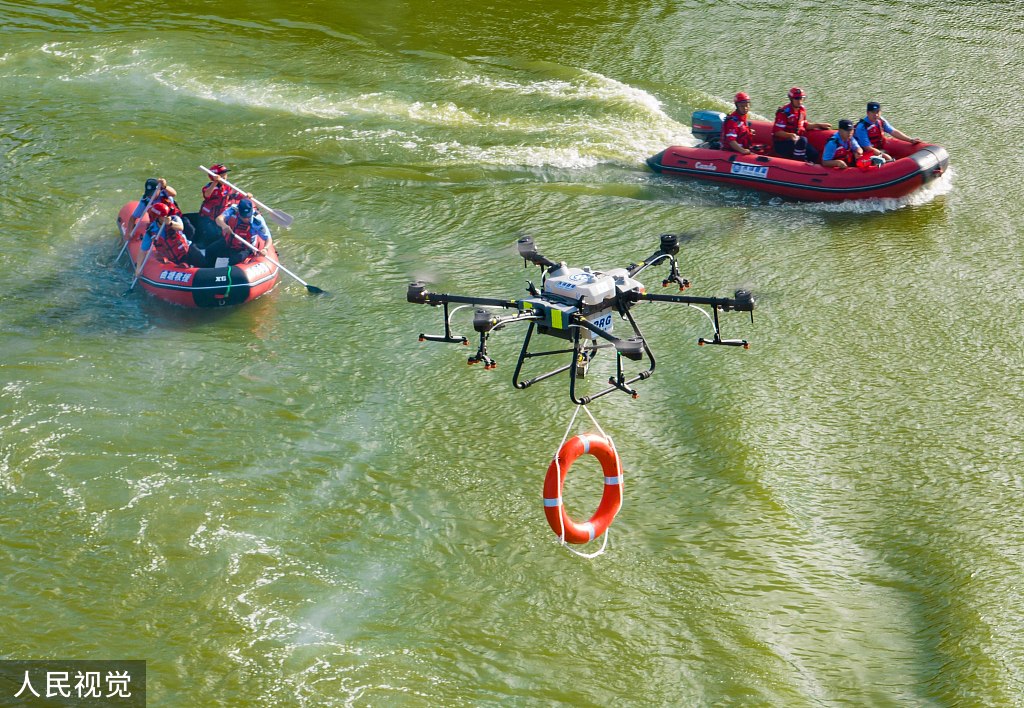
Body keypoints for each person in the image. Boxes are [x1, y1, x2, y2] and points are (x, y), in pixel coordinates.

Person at [132, 202, 205, 280]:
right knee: (185, 268)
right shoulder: (151, 231)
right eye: (163, 216)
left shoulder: (174, 219)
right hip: (174, 259)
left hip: (187, 250)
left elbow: (181, 227)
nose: (167, 217)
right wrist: (138, 268)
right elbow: (143, 250)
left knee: (201, 261)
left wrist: (170, 223)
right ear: (157, 217)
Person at [183, 163, 248, 248]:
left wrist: (247, 195)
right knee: (208, 233)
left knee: (219, 233)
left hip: (220, 216)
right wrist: (215, 182)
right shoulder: (210, 187)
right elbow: (207, 194)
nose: (224, 176)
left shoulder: (228, 186)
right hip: (207, 217)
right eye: (222, 175)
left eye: (225, 174)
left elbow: (237, 194)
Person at [772, 87, 831, 163]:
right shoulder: (784, 113)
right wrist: (790, 135)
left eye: (801, 98)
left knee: (814, 154)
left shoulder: (802, 110)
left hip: (797, 141)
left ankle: (809, 168)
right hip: (783, 144)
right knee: (803, 140)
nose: (799, 101)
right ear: (791, 99)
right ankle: (798, 164)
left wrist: (818, 125)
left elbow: (804, 125)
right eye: (797, 99)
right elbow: (777, 132)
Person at [207, 198, 272, 265]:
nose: (246, 219)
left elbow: (268, 238)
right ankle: (208, 271)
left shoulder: (257, 220)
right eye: (243, 217)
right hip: (228, 242)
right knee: (210, 250)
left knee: (233, 260)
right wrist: (224, 226)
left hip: (245, 248)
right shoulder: (233, 210)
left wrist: (265, 249)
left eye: (248, 217)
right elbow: (218, 219)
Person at [126, 177, 195, 240]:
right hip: (160, 224)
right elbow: (133, 217)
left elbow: (174, 193)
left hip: (175, 218)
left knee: (190, 230)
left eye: (152, 193)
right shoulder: (145, 201)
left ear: (159, 189)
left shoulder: (165, 191)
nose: (150, 195)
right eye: (148, 193)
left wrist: (164, 186)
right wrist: (129, 232)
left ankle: (188, 244)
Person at [854, 101, 920, 163]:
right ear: (868, 113)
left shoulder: (881, 120)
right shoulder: (862, 127)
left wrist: (910, 140)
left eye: (877, 112)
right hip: (866, 153)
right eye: (873, 112)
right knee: (885, 158)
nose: (876, 115)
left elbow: (893, 131)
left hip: (878, 147)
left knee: (887, 155)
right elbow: (867, 148)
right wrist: (883, 155)